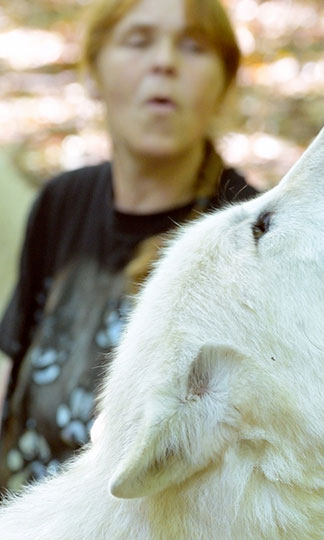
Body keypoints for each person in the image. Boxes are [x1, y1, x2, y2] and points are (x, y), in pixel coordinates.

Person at [0, 0, 257, 491]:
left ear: (224, 85)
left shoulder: (254, 234)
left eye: (193, 46)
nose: (164, 63)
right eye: (138, 41)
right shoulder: (62, 202)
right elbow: (11, 369)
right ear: (93, 74)